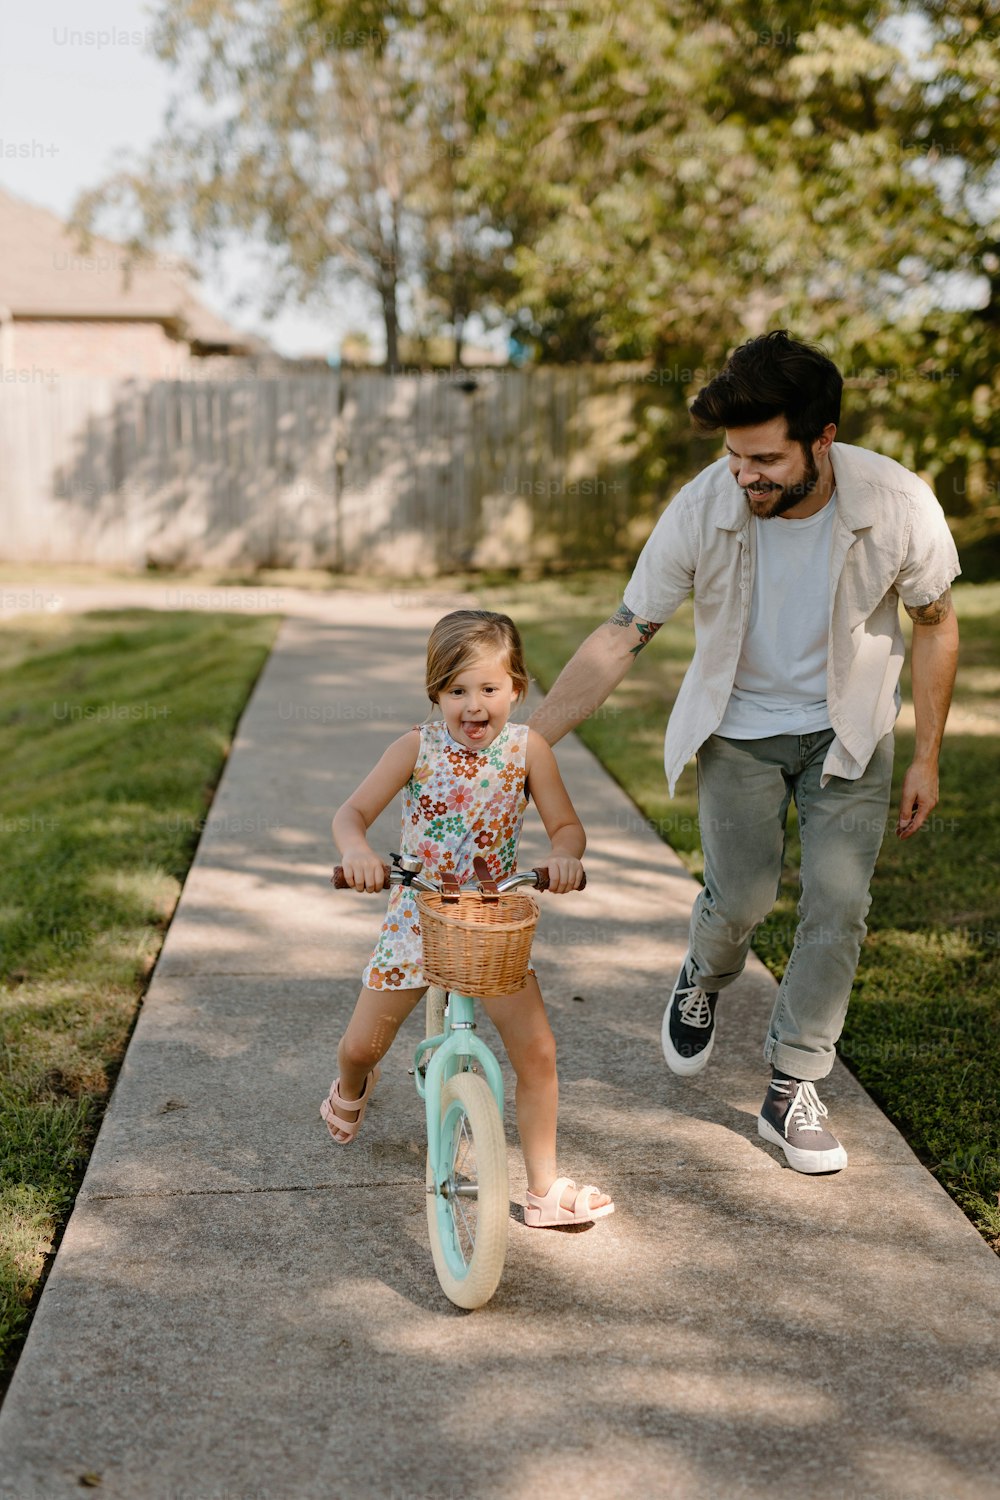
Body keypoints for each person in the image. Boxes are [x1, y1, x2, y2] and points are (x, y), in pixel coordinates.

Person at [529, 330, 960, 1175]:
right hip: (739, 729)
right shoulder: (704, 505)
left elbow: (936, 623)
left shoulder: (899, 501)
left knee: (837, 910)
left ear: (823, 440)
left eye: (764, 457)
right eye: (735, 455)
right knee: (741, 899)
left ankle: (794, 1081)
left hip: (852, 731)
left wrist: (927, 756)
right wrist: (523, 745)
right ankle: (704, 969)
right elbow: (625, 636)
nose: (745, 474)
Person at [323, 608, 614, 1227]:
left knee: (537, 1052)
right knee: (361, 1046)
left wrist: (563, 856)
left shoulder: (527, 748)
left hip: (489, 921)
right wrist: (358, 852)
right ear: (436, 694)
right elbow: (351, 814)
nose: (473, 706)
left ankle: (543, 1189)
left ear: (517, 688)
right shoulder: (415, 747)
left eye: (488, 688)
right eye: (457, 691)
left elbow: (566, 826)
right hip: (417, 915)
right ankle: (350, 1087)